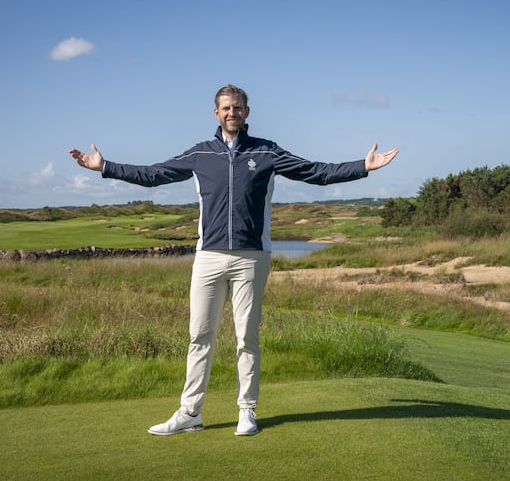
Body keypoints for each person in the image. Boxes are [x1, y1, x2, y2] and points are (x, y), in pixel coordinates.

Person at [69, 84, 398, 436]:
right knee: (200, 336)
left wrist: (362, 166)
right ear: (216, 113)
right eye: (226, 108)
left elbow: (314, 172)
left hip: (251, 257)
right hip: (208, 256)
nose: (232, 113)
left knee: (247, 338)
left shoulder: (267, 152)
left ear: (247, 112)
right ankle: (190, 413)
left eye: (238, 108)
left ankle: (246, 412)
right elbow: (153, 175)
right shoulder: (200, 154)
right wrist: (106, 167)